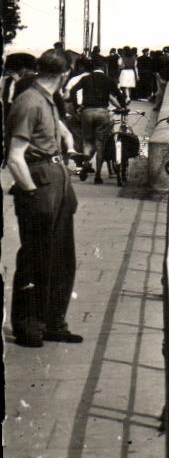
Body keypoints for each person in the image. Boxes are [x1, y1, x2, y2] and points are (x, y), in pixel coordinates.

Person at [5, 48, 82, 347]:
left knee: (62, 258)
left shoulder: (45, 99)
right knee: (36, 257)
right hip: (39, 182)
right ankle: (28, 326)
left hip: (56, 179)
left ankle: (53, 323)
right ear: (65, 74)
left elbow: (51, 127)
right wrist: (32, 193)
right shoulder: (30, 102)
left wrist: (67, 136)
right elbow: (14, 158)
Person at [73, 58, 118, 183]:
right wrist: (123, 105)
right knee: (100, 143)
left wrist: (77, 106)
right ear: (104, 68)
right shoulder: (108, 80)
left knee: (87, 141)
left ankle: (86, 163)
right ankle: (98, 175)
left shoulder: (85, 79)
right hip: (102, 112)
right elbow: (118, 94)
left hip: (87, 112)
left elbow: (73, 91)